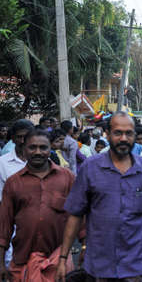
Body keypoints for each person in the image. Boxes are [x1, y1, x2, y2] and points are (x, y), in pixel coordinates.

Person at [57, 112, 142, 281]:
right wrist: (63, 258)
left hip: (135, 265)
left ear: (135, 135)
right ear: (107, 134)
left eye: (128, 133)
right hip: (99, 265)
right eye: (117, 133)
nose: (123, 138)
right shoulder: (90, 168)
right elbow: (76, 215)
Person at [0, 130, 83, 281]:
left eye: (43, 147)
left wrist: (85, 248)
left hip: (59, 261)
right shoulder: (13, 183)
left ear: (50, 148)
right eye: (32, 147)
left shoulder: (67, 178)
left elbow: (79, 217)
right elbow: (4, 226)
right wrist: (0, 263)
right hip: (22, 262)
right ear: (24, 149)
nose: (38, 152)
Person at [0, 119, 34, 269]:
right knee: (14, 265)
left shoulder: (41, 159)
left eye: (26, 137)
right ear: (12, 138)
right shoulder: (3, 163)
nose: (22, 141)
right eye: (19, 137)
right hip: (12, 224)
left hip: (40, 224)